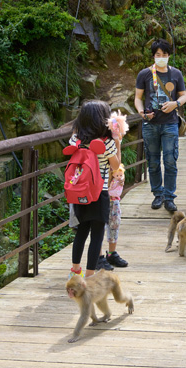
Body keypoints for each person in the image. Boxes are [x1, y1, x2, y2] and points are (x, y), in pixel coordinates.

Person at [134, 39, 186, 212]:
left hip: (170, 123)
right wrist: (142, 113)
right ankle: (158, 194)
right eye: (158, 55)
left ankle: (169, 197)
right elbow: (137, 98)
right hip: (150, 124)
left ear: (169, 55)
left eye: (164, 55)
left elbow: (183, 96)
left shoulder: (176, 74)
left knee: (170, 160)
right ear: (153, 56)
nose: (162, 58)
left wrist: (175, 104)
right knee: (153, 161)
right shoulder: (144, 74)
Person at [68, 100, 120, 277]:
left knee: (82, 231)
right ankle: (90, 275)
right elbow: (116, 166)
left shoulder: (76, 140)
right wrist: (117, 142)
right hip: (99, 193)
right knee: (97, 235)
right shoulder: (106, 144)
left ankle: (75, 270)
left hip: (80, 192)